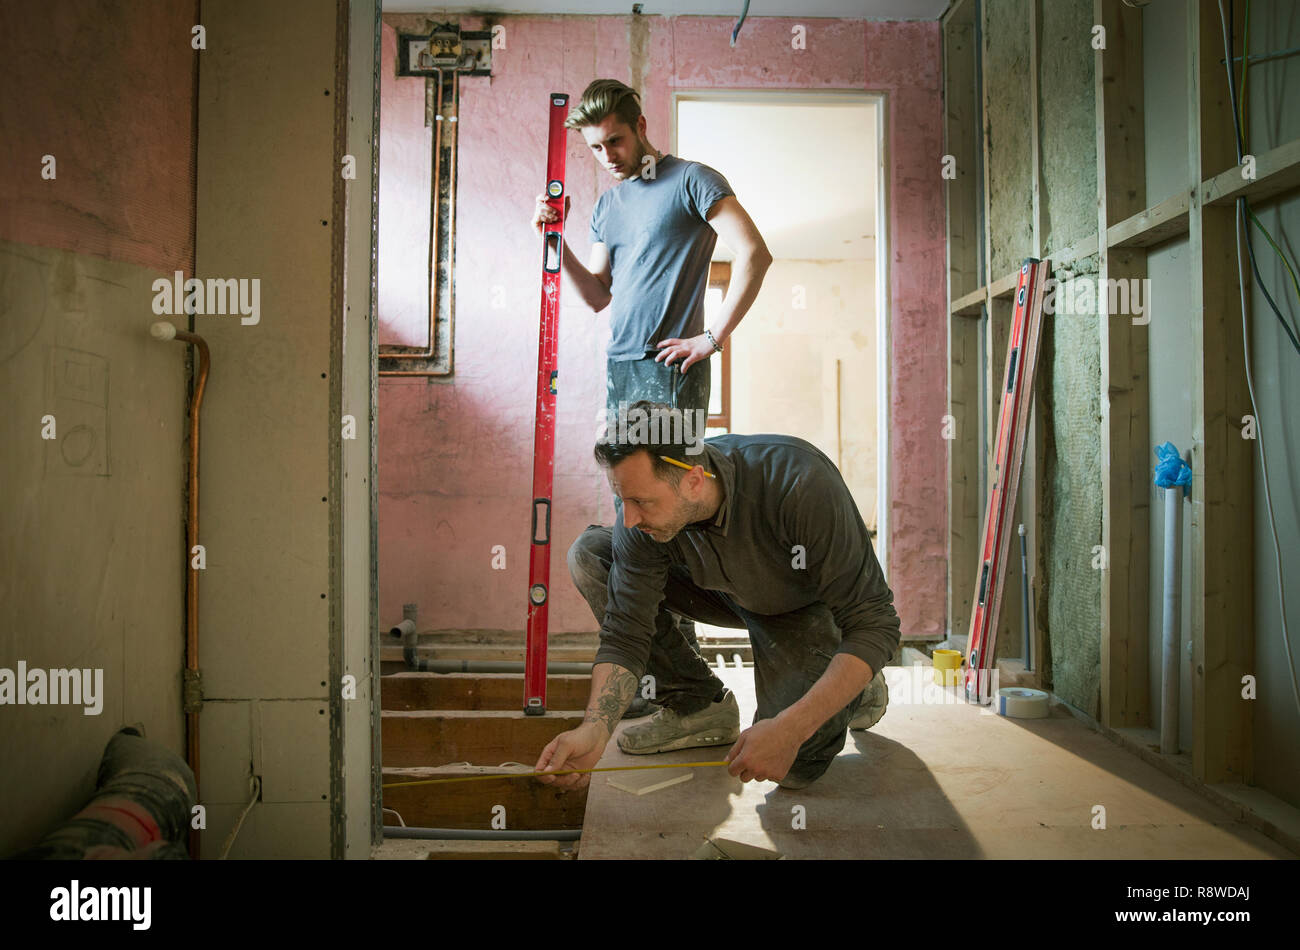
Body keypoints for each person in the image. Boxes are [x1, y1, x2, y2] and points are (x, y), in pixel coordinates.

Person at [530, 79, 772, 716]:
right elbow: (596, 295)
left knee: (670, 522)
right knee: (635, 525)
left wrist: (711, 337)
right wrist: (553, 241)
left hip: (672, 373)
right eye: (595, 146)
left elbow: (756, 252)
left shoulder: (693, 180)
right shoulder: (608, 207)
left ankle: (692, 696)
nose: (607, 153)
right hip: (621, 372)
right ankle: (673, 684)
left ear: (639, 124)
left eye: (615, 138)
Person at [533, 401, 898, 790]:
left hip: (800, 609)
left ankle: (855, 685)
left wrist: (791, 729)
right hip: (721, 593)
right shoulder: (639, 520)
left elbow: (875, 624)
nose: (629, 517)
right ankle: (697, 703)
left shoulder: (799, 481)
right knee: (591, 553)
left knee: (795, 766)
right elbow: (626, 631)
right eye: (623, 500)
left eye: (641, 501)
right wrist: (595, 730)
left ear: (693, 480)